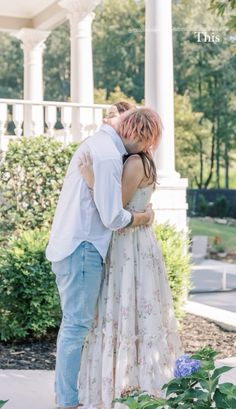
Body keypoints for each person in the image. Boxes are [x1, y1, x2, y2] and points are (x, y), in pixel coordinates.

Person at [45, 105, 158, 409]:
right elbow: (112, 217)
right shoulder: (109, 156)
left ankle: (69, 396)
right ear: (138, 133)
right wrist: (143, 218)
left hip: (73, 246)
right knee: (76, 326)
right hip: (82, 249)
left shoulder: (97, 145)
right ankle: (68, 402)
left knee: (76, 325)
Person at [78, 107, 183, 409]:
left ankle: (127, 386)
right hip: (138, 241)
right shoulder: (144, 161)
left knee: (125, 307)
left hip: (128, 244)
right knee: (136, 309)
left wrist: (89, 179)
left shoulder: (135, 162)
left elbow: (114, 206)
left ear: (138, 133)